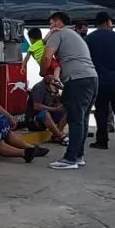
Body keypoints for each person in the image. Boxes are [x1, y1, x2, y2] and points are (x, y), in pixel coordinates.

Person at [40, 12, 98, 169]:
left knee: (75, 119)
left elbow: (46, 57)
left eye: (51, 23)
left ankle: (70, 158)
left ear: (58, 22)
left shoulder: (58, 33)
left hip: (77, 80)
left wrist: (43, 72)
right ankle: (78, 156)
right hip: (91, 78)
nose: (50, 27)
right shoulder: (73, 34)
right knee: (82, 119)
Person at [86, 12, 115, 151]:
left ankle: (102, 141)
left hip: (99, 81)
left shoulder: (89, 39)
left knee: (101, 111)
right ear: (107, 22)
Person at [26, 76, 67, 143]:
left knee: (67, 112)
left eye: (52, 74)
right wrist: (55, 109)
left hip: (47, 119)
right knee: (45, 113)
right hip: (34, 120)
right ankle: (61, 136)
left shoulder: (54, 87)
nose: (50, 76)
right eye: (48, 74)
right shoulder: (39, 87)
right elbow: (37, 106)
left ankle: (55, 136)